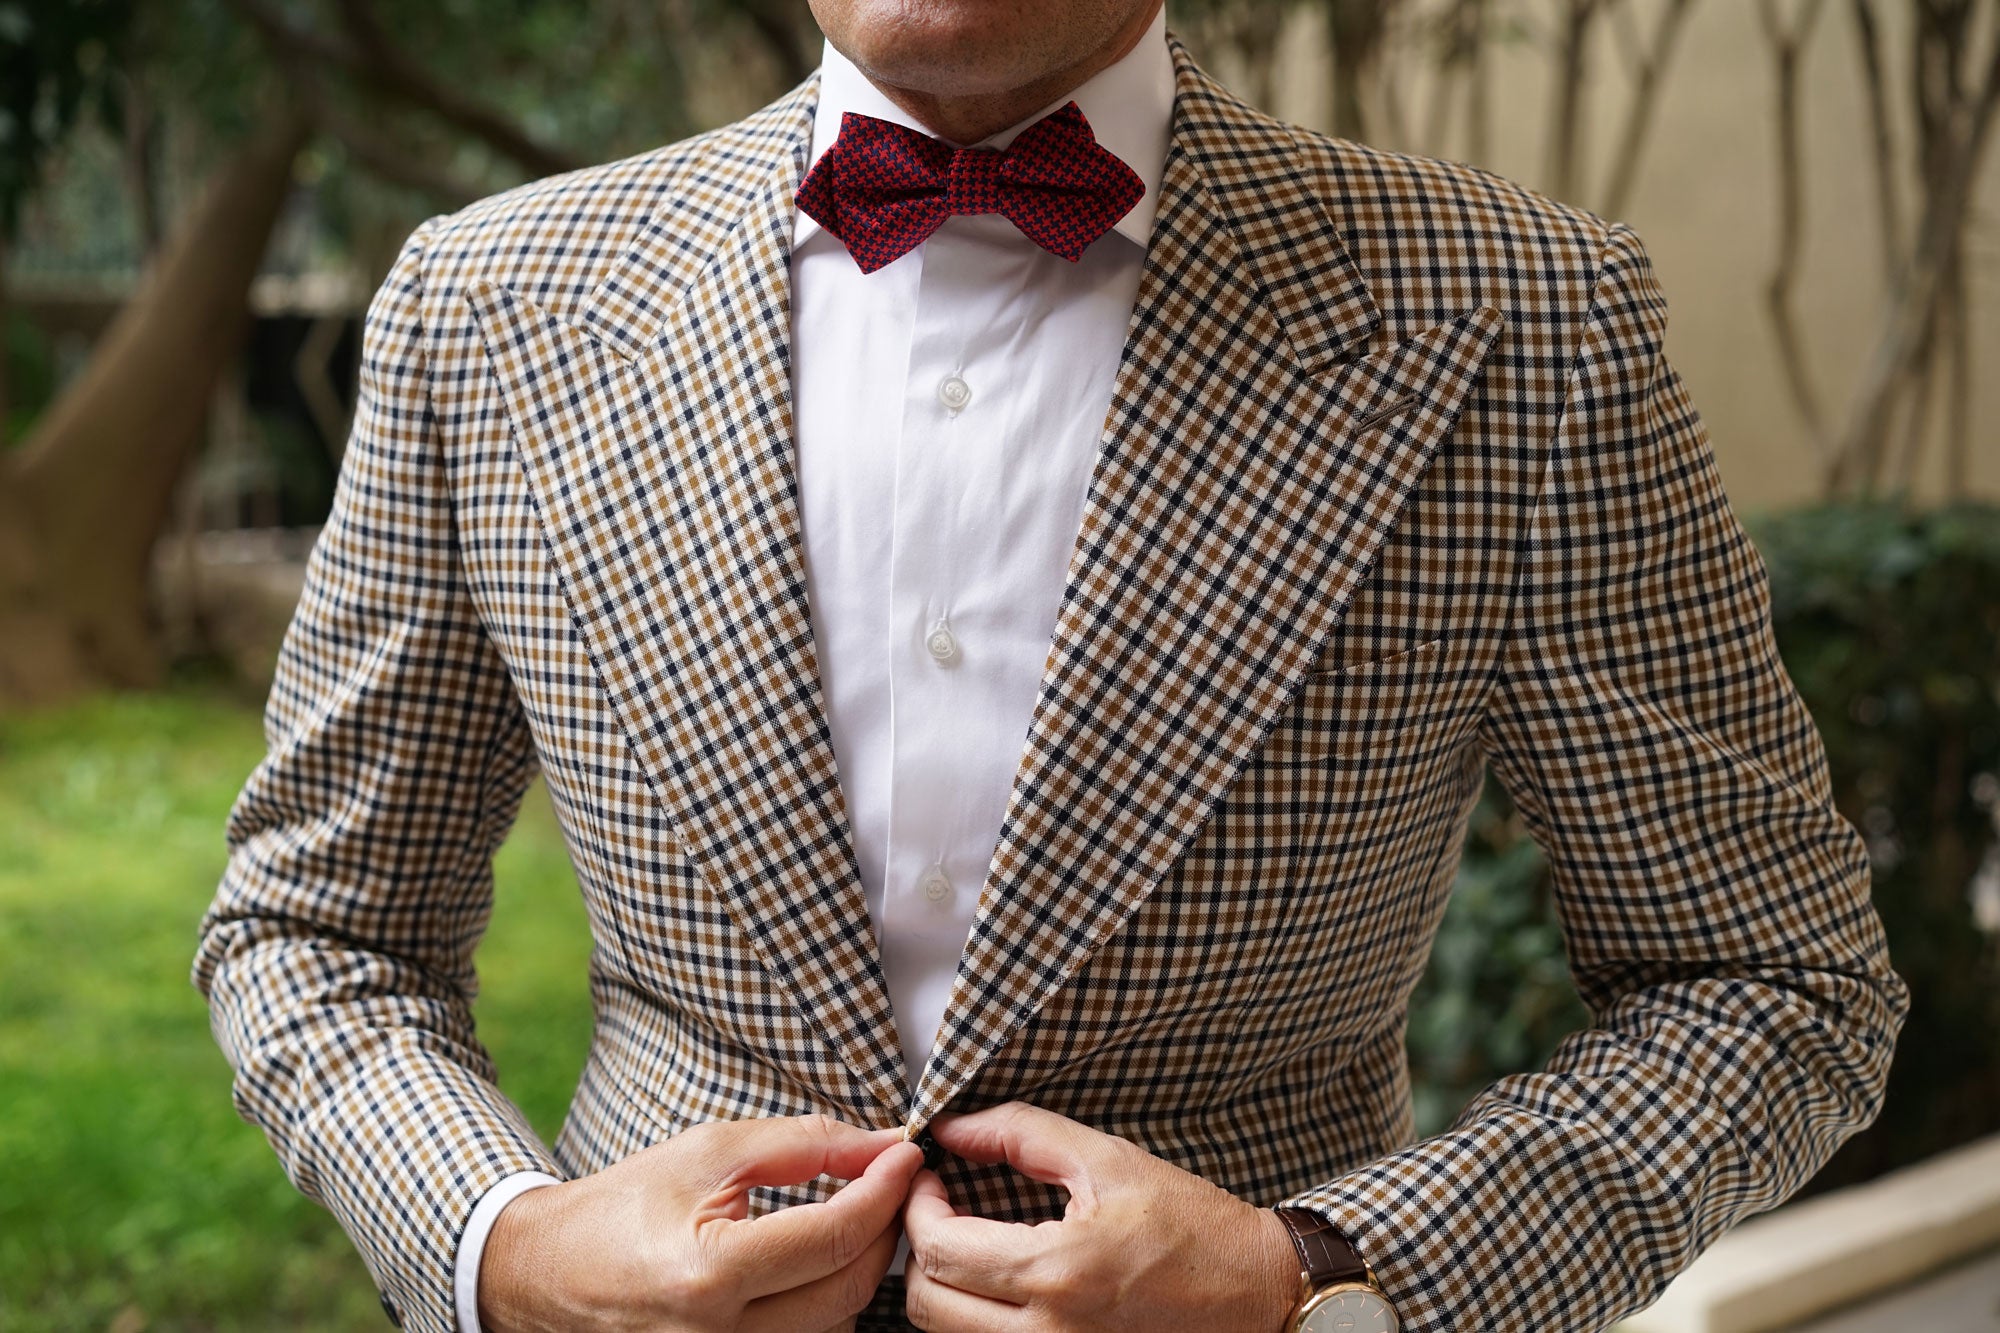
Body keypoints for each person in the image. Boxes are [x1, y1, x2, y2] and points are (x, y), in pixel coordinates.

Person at [192, 1, 1908, 1330]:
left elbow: (1777, 981)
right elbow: (318, 931)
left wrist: (1309, 1274)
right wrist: (512, 1246)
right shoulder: (489, 308)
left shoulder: (1522, 321)